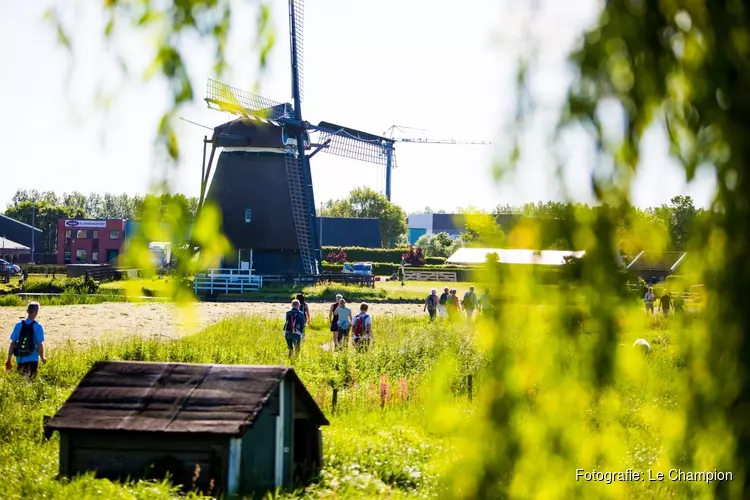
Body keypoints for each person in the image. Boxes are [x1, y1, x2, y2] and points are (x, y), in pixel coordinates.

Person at [6, 301, 46, 377]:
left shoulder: (18, 325)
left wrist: (9, 359)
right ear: (36, 312)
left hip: (20, 358)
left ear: (27, 311)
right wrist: (42, 358)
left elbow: (13, 343)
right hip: (33, 359)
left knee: (21, 381)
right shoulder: (38, 326)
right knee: (31, 381)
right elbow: (40, 345)